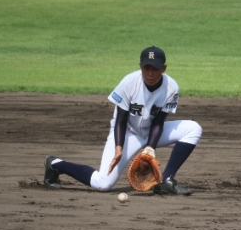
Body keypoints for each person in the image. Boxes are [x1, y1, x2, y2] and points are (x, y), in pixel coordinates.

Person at [44, 46, 202, 195]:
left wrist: (150, 148)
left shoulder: (171, 88)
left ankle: (166, 180)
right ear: (140, 67)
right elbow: (120, 120)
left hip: (152, 132)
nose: (150, 74)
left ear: (164, 68)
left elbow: (159, 121)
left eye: (155, 69)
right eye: (146, 68)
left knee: (193, 128)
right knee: (102, 184)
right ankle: (55, 164)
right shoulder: (129, 83)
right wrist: (119, 148)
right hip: (127, 133)